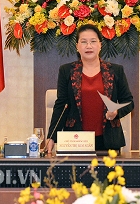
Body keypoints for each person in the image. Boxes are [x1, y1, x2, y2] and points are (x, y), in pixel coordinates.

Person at [45, 24, 134, 154]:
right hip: (76, 140)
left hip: (108, 141)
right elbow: (61, 105)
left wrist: (116, 112)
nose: (88, 46)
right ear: (77, 46)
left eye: (93, 41)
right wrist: (52, 136)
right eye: (84, 42)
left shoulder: (115, 70)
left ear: (100, 45)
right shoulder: (66, 71)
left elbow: (129, 102)